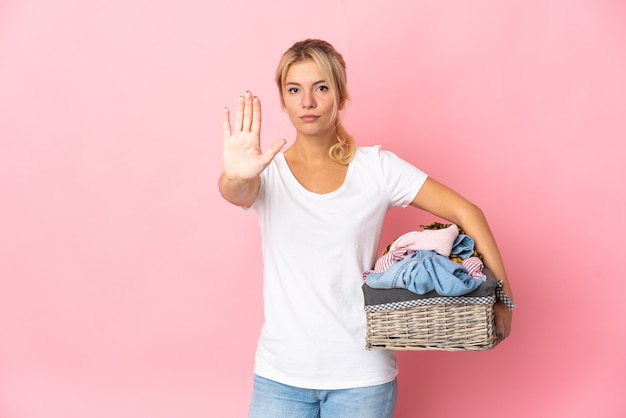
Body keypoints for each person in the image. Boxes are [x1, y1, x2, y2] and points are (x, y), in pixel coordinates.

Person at [219, 38, 514, 418]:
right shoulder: (267, 172)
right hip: (280, 377)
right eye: (295, 90)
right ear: (284, 100)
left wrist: (503, 296)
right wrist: (235, 176)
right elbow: (236, 191)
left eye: (321, 88)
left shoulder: (376, 168)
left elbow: (468, 212)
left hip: (362, 379)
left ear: (340, 98)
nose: (307, 102)